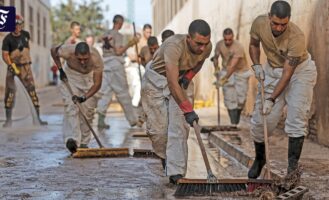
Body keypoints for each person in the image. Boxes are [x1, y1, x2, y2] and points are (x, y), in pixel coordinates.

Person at [248, 1, 317, 178]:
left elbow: (287, 74)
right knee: (261, 122)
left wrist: (271, 99)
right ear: (269, 16)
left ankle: (292, 170)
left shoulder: (296, 37)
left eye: (283, 24)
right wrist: (256, 65)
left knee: (296, 118)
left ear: (289, 20)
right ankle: (259, 159)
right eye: (275, 23)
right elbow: (254, 44)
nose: (279, 28)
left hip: (299, 72)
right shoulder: (259, 23)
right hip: (272, 70)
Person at [141, 19, 212, 184]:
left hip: (180, 79)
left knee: (179, 127)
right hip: (156, 80)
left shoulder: (207, 47)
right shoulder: (174, 46)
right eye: (198, 43)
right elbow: (172, 83)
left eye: (205, 43)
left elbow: (199, 61)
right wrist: (188, 109)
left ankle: (176, 173)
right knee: (159, 132)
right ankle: (166, 158)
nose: (202, 48)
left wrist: (188, 77)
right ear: (188, 38)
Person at [51, 42, 103, 153]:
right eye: (79, 59)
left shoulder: (96, 58)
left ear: (89, 54)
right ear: (74, 55)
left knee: (87, 111)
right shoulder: (67, 51)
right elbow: (53, 50)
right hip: (70, 77)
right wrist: (60, 69)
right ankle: (73, 140)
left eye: (85, 59)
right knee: (71, 107)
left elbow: (97, 84)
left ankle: (84, 143)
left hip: (89, 79)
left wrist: (84, 97)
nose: (83, 62)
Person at [2, 14, 47, 127]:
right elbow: (5, 55)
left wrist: (25, 61)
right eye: (15, 25)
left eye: (19, 25)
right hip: (13, 69)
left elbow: (27, 50)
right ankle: (8, 120)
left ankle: (37, 119)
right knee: (10, 94)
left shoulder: (26, 34)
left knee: (32, 92)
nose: (18, 27)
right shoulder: (7, 39)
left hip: (26, 68)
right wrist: (12, 65)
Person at [96, 14, 141, 129]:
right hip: (115, 65)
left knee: (106, 92)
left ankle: (100, 119)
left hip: (106, 65)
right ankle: (132, 120)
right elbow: (118, 51)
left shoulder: (106, 34)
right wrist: (130, 43)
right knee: (123, 92)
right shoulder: (118, 35)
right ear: (119, 23)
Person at [212, 28, 252, 128]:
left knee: (241, 100)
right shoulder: (219, 44)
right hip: (226, 70)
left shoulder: (238, 47)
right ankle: (233, 124)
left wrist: (223, 80)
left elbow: (233, 67)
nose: (227, 42)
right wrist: (216, 68)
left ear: (233, 37)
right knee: (229, 98)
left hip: (240, 72)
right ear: (223, 38)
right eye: (225, 39)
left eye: (230, 40)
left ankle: (236, 120)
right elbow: (216, 57)